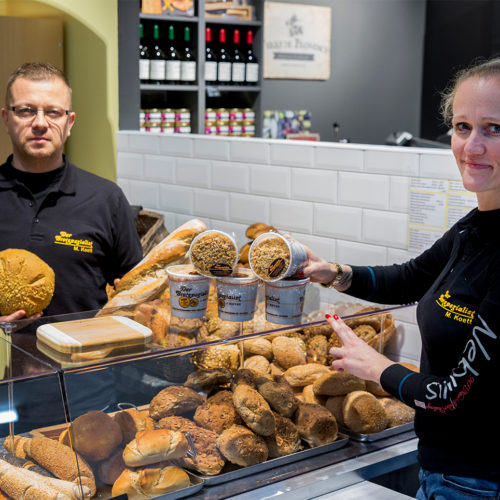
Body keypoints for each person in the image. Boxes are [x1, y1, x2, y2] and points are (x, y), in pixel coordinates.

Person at [300, 57, 500, 498]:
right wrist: (335, 273)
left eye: (494, 129)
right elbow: (413, 278)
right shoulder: (476, 226)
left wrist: (379, 369)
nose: (472, 147)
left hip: (479, 481)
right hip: (447, 471)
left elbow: (454, 396)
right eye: (462, 126)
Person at [0, 62, 143, 430]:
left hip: (88, 390)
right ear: (6, 117)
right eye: (25, 110)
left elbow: (137, 297)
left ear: (70, 121)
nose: (39, 122)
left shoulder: (105, 198)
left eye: (53, 112)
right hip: (7, 389)